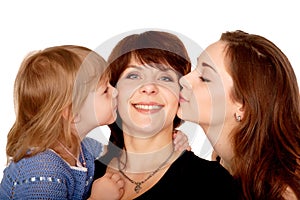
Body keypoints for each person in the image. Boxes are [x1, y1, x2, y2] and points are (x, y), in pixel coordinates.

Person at [92, 30, 237, 199]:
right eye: (134, 75)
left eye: (165, 78)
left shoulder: (212, 183)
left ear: (181, 95)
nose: (149, 87)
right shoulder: (82, 175)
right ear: (113, 91)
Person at [177, 30, 300, 199]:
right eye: (195, 69)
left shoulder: (279, 192)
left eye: (205, 78)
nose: (184, 79)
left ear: (243, 106)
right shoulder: (223, 160)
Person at [0, 45, 125, 199]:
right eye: (105, 90)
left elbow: (112, 152)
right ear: (72, 113)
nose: (115, 91)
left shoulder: (81, 147)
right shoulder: (42, 172)